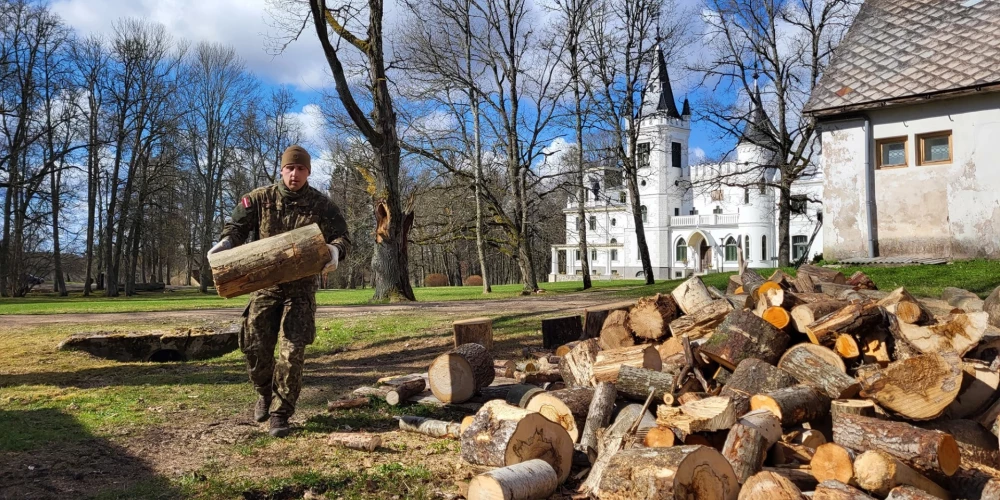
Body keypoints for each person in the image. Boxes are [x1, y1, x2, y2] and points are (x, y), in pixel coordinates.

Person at [207, 145, 351, 437]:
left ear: (308, 171)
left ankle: (280, 414)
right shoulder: (260, 199)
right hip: (264, 287)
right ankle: (263, 391)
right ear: (281, 169)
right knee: (254, 347)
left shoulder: (322, 205)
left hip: (300, 291)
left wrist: (335, 250)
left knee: (293, 352)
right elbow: (236, 226)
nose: (294, 174)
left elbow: (342, 236)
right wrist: (226, 243)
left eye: (300, 169)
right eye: (289, 168)